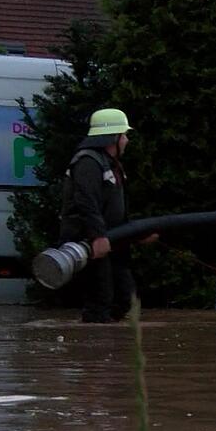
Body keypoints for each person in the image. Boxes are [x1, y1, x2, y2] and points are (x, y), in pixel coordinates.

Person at [59, 108, 153, 323]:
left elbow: (115, 210)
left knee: (127, 299)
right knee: (100, 301)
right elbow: (86, 202)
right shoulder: (88, 162)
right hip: (92, 244)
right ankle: (97, 349)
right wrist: (98, 237)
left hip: (113, 241)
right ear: (113, 137)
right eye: (124, 135)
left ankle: (114, 350)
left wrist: (137, 235)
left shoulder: (111, 164)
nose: (127, 140)